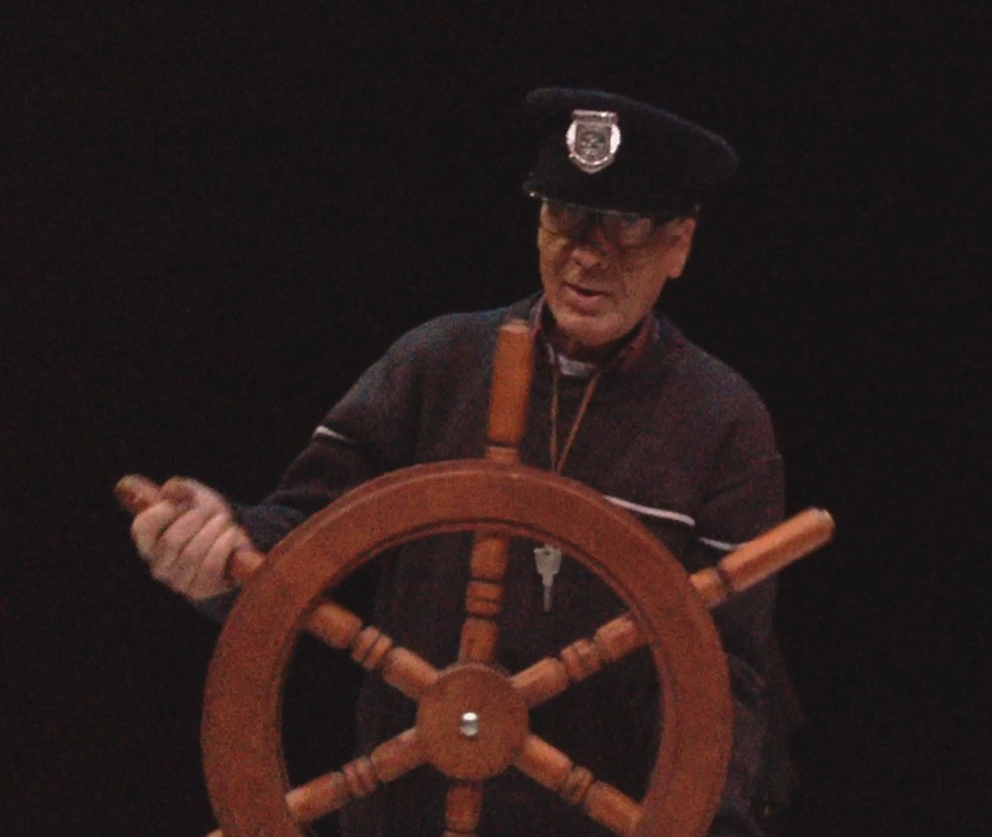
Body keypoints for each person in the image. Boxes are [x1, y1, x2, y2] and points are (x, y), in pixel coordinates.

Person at [130, 87, 792, 837]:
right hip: (407, 813)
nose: (587, 254)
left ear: (680, 245)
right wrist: (221, 549)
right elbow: (302, 532)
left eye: (629, 227)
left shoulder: (724, 421)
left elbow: (724, 671)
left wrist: (709, 819)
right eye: (565, 214)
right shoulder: (437, 363)